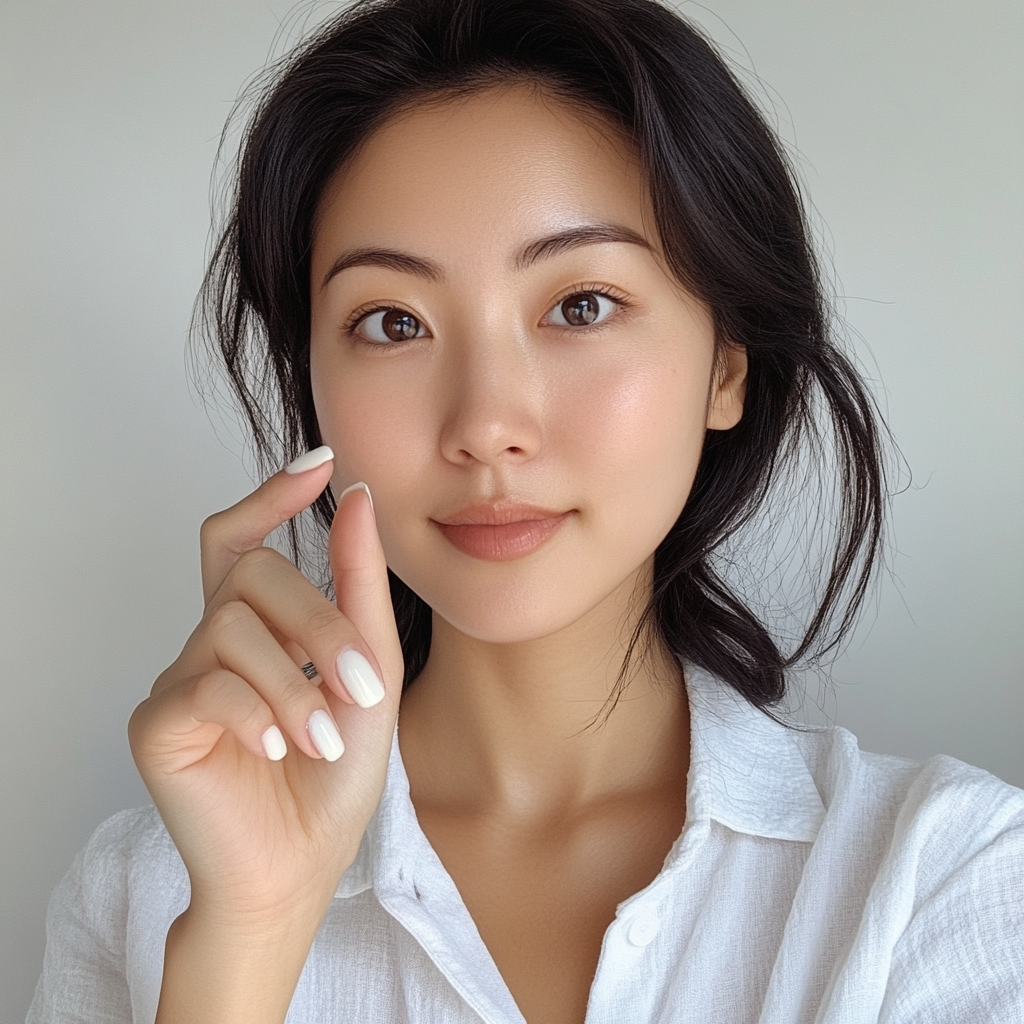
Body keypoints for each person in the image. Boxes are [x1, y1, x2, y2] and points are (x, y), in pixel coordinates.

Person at [27, 0, 1023, 1021]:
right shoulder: (143, 902)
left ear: (727, 362)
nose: (486, 423)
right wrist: (252, 933)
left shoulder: (939, 877)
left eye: (579, 305)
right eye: (392, 322)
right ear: (312, 384)